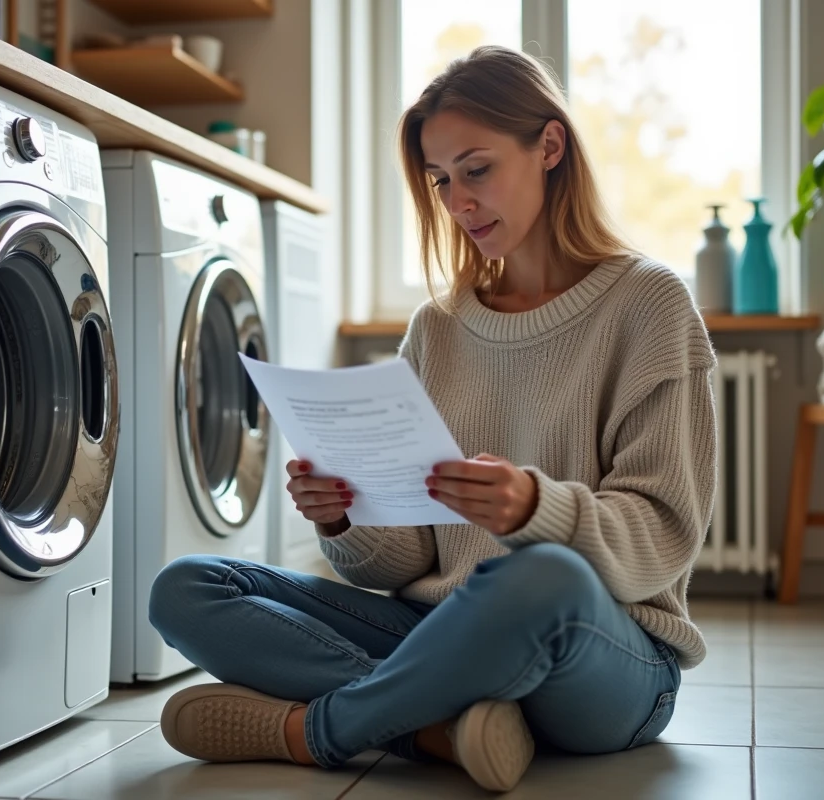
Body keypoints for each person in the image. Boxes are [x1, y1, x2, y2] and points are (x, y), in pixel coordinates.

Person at [147, 44, 717, 793]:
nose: (458, 203)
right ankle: (439, 730)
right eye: (441, 180)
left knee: (536, 575)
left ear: (549, 146)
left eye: (476, 170)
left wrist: (536, 508)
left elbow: (664, 538)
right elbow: (410, 562)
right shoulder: (438, 327)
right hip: (438, 636)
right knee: (187, 587)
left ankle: (315, 731)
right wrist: (346, 520)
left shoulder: (650, 304)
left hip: (608, 662)